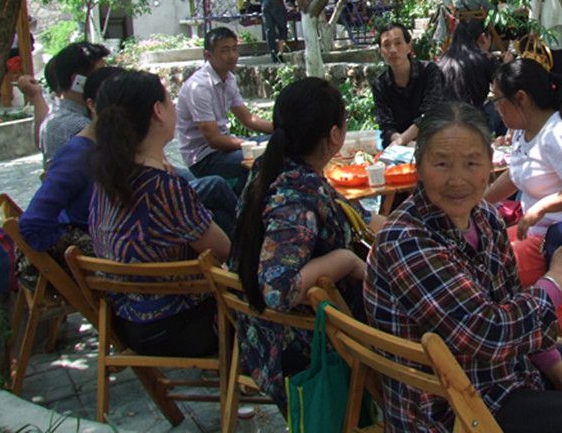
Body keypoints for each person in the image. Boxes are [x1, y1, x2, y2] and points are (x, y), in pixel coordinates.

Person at [365, 101, 562, 433]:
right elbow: (488, 333)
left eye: (471, 162)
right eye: (442, 163)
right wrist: (557, 279)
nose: (458, 179)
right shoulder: (406, 240)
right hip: (451, 406)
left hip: (499, 374)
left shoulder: (485, 218)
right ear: (418, 167)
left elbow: (513, 304)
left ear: (489, 164)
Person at [231, 78, 383, 412]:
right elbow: (278, 290)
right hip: (304, 350)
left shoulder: (280, 170)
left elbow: (356, 213)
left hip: (271, 338)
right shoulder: (295, 198)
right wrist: (346, 261)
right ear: (334, 135)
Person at [89, 70, 230, 357]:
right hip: (180, 328)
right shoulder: (163, 188)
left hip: (129, 323)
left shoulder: (106, 178)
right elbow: (224, 249)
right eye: (169, 99)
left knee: (214, 195)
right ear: (158, 111)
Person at [484, 59, 562, 287]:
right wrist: (479, 202)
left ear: (521, 98)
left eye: (497, 101)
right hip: (537, 233)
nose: (496, 109)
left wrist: (541, 208)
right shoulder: (523, 131)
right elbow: (516, 174)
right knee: (480, 252)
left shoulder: (561, 133)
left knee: (490, 273)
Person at [20, 66, 123, 254]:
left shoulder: (115, 146)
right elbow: (33, 223)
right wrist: (77, 256)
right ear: (92, 105)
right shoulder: (77, 154)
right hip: (95, 257)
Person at [177, 27, 273, 194]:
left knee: (279, 143)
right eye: (225, 50)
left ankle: (241, 198)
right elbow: (214, 139)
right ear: (208, 55)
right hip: (204, 158)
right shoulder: (199, 87)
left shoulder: (229, 79)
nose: (232, 55)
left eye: (235, 49)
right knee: (266, 156)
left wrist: (283, 128)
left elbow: (248, 119)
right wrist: (251, 146)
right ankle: (243, 203)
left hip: (225, 148)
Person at [371, 22, 444, 147]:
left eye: (398, 43)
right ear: (381, 51)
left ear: (409, 46)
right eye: (386, 45)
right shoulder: (380, 84)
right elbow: (386, 125)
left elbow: (429, 115)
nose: (393, 50)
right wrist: (407, 144)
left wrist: (402, 141)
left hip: (433, 142)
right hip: (400, 148)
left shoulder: (429, 71)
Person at [38, 41, 111, 166]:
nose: (106, 81)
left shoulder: (57, 114)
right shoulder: (79, 126)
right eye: (99, 75)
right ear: (78, 81)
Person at [438, 20, 502, 134]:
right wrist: (506, 65)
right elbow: (505, 85)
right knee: (504, 102)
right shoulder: (484, 58)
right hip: (472, 122)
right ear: (483, 37)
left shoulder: (444, 59)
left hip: (445, 121)